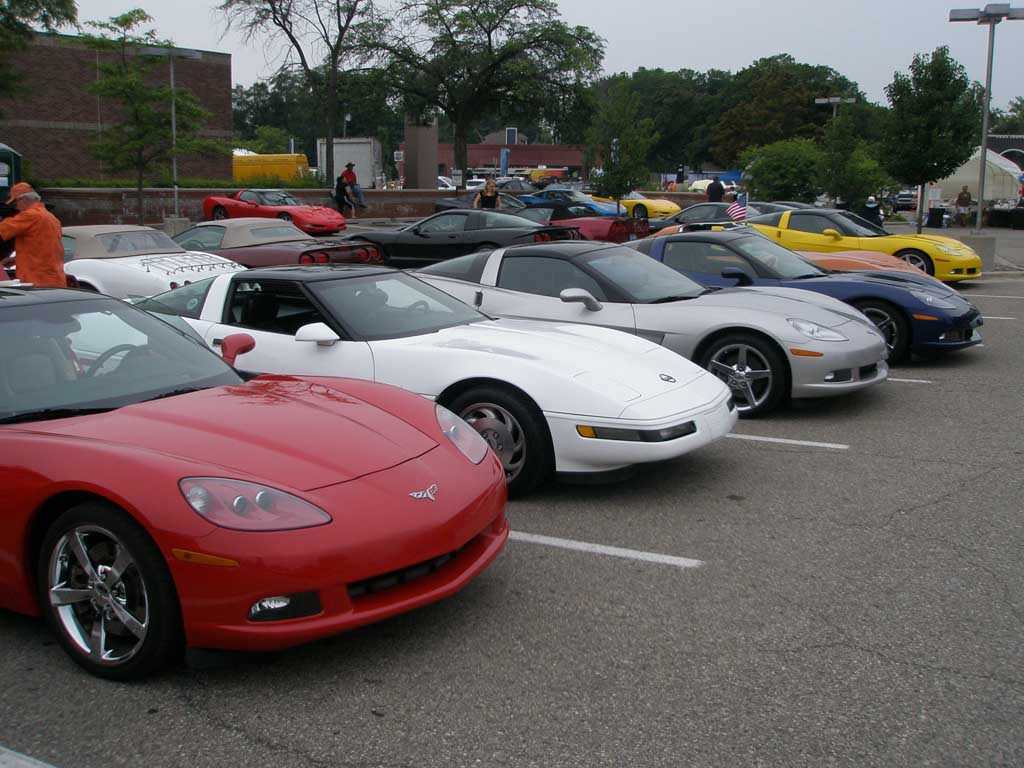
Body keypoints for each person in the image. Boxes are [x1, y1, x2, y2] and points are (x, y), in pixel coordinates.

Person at [0, 182, 65, 287]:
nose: (16, 208)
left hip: (36, 281)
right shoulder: (52, 218)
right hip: (55, 279)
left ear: (23, 200)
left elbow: (3, 229)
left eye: (15, 204)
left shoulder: (30, 216)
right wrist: (15, 260)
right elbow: (44, 251)